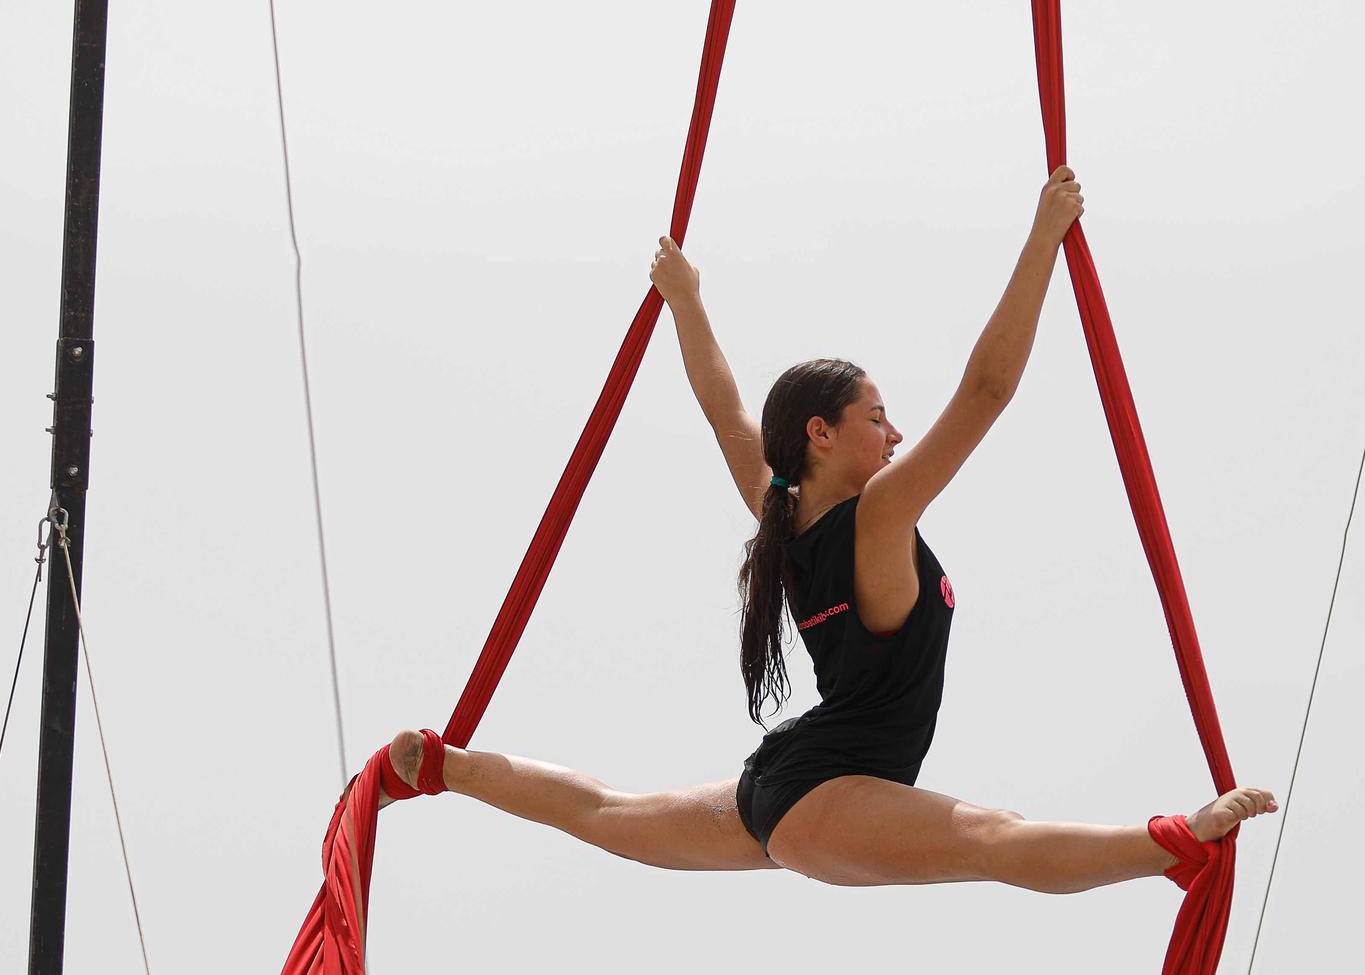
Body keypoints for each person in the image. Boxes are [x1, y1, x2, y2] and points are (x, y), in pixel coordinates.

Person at [382, 167, 1276, 892]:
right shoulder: (876, 516)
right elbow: (986, 394)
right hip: (820, 789)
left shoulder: (779, 511)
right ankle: (1171, 841)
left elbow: (723, 405)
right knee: (988, 840)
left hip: (787, 784)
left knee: (610, 814)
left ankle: (439, 767)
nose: (894, 432)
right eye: (878, 416)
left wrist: (686, 301)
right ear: (822, 432)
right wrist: (1043, 239)